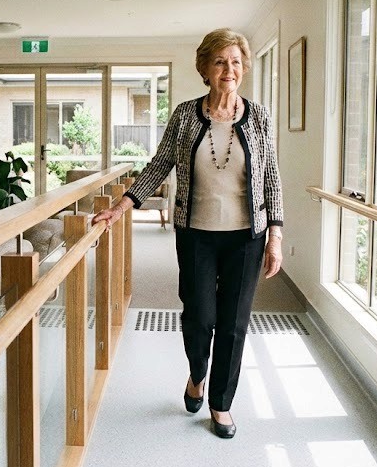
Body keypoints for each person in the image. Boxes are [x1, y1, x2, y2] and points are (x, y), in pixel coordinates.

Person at [93, 28, 284, 439]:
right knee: (199, 315)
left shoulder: (261, 117)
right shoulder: (184, 115)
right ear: (204, 69)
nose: (228, 70)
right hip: (195, 232)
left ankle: (220, 403)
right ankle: (197, 372)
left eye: (235, 62)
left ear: (244, 68)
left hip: (246, 236)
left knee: (233, 323)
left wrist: (276, 237)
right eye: (219, 62)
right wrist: (122, 207)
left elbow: (271, 178)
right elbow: (159, 165)